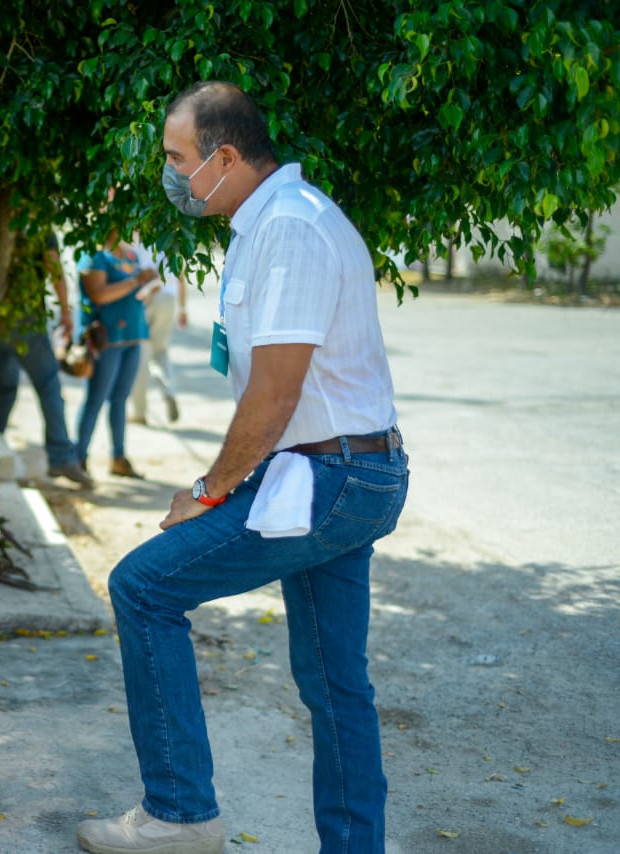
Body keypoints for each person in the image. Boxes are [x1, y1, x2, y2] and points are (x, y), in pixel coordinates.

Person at [77, 82, 409, 854]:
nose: (170, 174)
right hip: (335, 472)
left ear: (225, 156)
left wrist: (210, 489)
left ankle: (179, 815)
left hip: (330, 477)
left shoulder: (290, 229)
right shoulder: (268, 224)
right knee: (334, 683)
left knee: (143, 586)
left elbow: (275, 390)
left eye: (177, 158)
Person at [0, 233, 94, 486]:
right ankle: (60, 456)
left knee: (5, 383)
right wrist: (66, 311)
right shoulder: (38, 223)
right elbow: (54, 268)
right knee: (48, 385)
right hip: (28, 320)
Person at [74, 228, 159, 479]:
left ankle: (118, 458)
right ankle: (79, 458)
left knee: (121, 398)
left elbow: (134, 294)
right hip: (106, 339)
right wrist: (137, 281)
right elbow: (98, 294)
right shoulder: (94, 255)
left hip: (132, 334)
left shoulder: (129, 255)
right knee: (95, 399)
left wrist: (148, 287)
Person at [128, 240, 188, 425]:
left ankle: (139, 411)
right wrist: (183, 308)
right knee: (160, 352)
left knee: (141, 355)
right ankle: (168, 391)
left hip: (146, 298)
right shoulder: (171, 242)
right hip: (169, 298)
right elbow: (181, 277)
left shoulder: (137, 243)